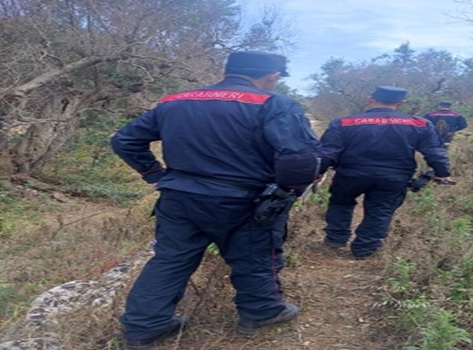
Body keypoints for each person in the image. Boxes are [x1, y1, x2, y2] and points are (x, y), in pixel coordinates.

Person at [111, 51, 320, 349]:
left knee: (170, 259)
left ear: (227, 70)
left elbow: (124, 140)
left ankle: (144, 327)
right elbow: (300, 159)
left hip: (179, 197)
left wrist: (155, 175)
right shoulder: (275, 104)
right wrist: (288, 192)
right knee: (255, 255)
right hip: (244, 199)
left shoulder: (174, 101)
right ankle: (261, 312)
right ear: (273, 76)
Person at [318, 86, 452, 259]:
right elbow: (434, 150)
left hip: (350, 174)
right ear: (401, 103)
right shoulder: (420, 123)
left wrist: (317, 172)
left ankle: (335, 239)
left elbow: (328, 151)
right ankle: (365, 249)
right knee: (381, 210)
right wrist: (442, 171)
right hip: (394, 177)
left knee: (340, 203)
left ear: (370, 99)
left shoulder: (344, 122)